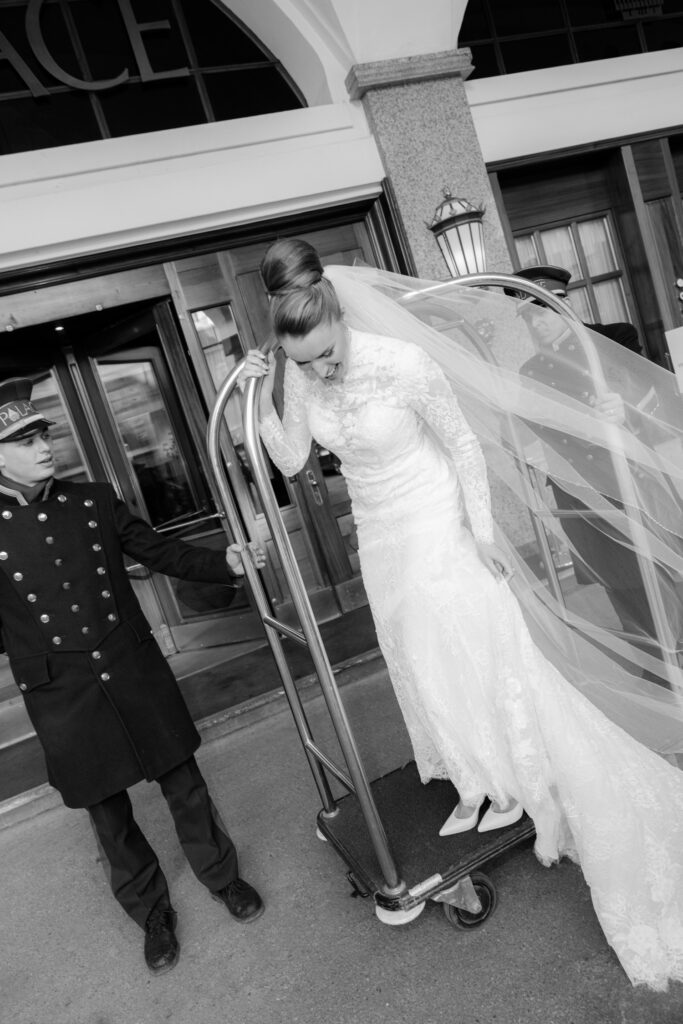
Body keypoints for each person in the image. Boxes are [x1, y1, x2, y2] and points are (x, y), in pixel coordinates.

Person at [239, 238, 683, 991]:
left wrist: (480, 531)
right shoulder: (300, 373)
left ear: (341, 318)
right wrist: (264, 388)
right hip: (379, 533)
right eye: (305, 361)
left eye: (326, 354)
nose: (323, 371)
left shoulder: (403, 361)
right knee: (413, 656)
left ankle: (508, 780)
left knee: (464, 645)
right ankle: (471, 778)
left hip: (434, 517)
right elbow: (288, 459)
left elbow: (463, 446)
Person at [0, 378, 266, 975]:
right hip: (61, 690)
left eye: (43, 434)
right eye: (24, 440)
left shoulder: (92, 501)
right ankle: (151, 913)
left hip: (128, 663)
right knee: (107, 812)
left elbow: (159, 550)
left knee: (182, 779)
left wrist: (224, 562)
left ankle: (222, 876)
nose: (43, 446)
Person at [511, 265, 683, 680]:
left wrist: (627, 410)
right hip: (585, 494)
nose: (537, 322)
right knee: (623, 586)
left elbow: (659, 398)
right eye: (528, 316)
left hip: (636, 482)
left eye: (542, 310)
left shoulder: (614, 338)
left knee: (670, 572)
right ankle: (660, 675)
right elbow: (535, 430)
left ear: (564, 303)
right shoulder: (530, 371)